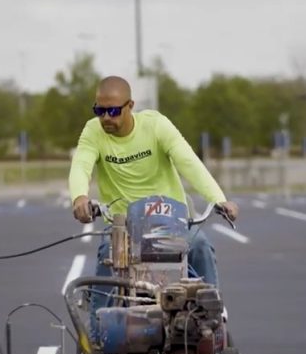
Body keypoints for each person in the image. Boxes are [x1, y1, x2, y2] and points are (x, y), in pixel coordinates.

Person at [68, 75, 239, 304]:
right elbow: (81, 165)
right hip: (125, 228)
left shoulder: (156, 125)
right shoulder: (93, 131)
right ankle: (99, 328)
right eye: (100, 111)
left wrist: (219, 199)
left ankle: (212, 312)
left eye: (114, 111)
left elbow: (188, 162)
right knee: (108, 253)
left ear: (130, 106)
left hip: (171, 222)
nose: (106, 118)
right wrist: (80, 197)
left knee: (199, 245)